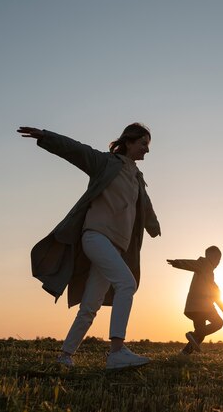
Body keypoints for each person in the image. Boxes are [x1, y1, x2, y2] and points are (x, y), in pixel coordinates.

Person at [17, 124, 161, 370]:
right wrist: (47, 137)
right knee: (127, 284)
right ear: (128, 142)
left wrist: (154, 226)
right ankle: (116, 351)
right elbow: (76, 150)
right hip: (96, 237)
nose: (147, 150)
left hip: (116, 247)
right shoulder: (106, 163)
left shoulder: (137, 178)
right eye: (143, 144)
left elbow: (145, 207)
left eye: (148, 145)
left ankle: (65, 355)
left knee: (90, 306)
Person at [167, 246, 223, 354]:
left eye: (219, 259)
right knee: (218, 323)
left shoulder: (209, 275)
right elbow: (191, 264)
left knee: (200, 335)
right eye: (217, 258)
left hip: (194, 308)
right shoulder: (204, 264)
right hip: (203, 307)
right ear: (209, 256)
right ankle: (194, 335)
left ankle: (185, 353)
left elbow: (215, 293)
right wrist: (178, 263)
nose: (218, 262)